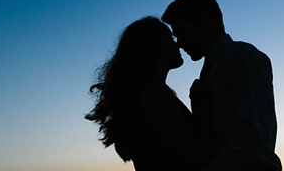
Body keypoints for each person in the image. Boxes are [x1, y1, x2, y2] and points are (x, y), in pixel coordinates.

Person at [162, 0, 282, 171]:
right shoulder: (212, 68)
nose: (179, 43)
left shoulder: (243, 57)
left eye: (183, 33)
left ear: (205, 22)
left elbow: (253, 131)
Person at [85, 16, 208, 171]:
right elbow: (192, 160)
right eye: (170, 38)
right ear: (155, 46)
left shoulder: (144, 94)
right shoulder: (154, 93)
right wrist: (202, 108)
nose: (177, 44)